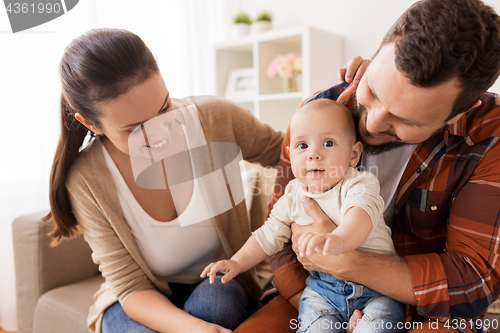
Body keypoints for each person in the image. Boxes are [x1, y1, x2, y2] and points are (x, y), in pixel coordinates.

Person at [233, 0, 500, 332]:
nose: (372, 123)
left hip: (427, 314)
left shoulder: (489, 138)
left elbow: (471, 278)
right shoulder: (321, 110)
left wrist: (351, 263)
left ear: (459, 113)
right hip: (315, 294)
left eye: (404, 119)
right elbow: (280, 231)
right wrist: (318, 313)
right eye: (372, 90)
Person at [44, 28, 283, 333]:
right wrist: (199, 330)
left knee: (217, 305)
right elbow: (130, 286)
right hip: (141, 298)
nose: (160, 134)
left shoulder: (214, 120)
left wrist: (354, 99)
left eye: (164, 108)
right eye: (135, 129)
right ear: (91, 124)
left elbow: (291, 150)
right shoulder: (87, 180)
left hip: (217, 283)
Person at [202, 99, 405, 332]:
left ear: (353, 154)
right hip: (322, 292)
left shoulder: (359, 183)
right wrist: (236, 262)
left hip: (376, 290)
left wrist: (339, 239)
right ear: (290, 155)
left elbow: (359, 217)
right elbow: (267, 235)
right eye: (302, 146)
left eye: (328, 143)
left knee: (377, 328)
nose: (314, 154)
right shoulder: (292, 195)